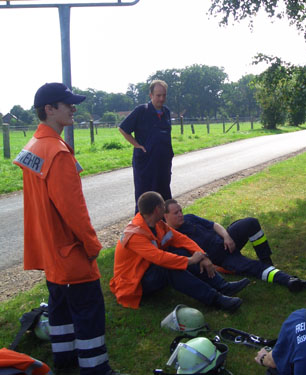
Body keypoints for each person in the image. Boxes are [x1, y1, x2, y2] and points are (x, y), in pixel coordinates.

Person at [13, 83, 118, 375]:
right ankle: (96, 368)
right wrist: (92, 245)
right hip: (69, 252)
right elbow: (74, 211)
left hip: (50, 250)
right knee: (89, 312)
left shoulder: (33, 145)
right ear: (49, 109)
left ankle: (65, 361)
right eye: (67, 104)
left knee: (60, 309)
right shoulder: (57, 153)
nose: (74, 108)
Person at [109, 191, 250, 312]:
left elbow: (181, 239)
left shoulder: (156, 223)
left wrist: (202, 255)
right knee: (168, 268)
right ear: (158, 209)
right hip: (134, 283)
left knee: (182, 251)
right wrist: (190, 261)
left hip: (147, 271)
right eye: (163, 206)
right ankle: (216, 299)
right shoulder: (135, 234)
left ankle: (223, 286)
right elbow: (160, 258)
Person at [164, 199, 306, 292]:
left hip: (227, 241)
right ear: (165, 217)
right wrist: (218, 268)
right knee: (255, 268)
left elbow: (214, 225)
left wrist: (227, 236)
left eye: (181, 210)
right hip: (223, 258)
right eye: (176, 213)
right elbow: (193, 262)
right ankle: (288, 280)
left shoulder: (190, 218)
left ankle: (266, 260)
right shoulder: (171, 238)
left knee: (251, 222)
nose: (180, 214)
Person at [119, 79, 174, 212]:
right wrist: (137, 145)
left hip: (163, 162)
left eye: (164, 95)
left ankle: (164, 227)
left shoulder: (166, 112)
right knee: (145, 198)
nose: (161, 99)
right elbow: (123, 128)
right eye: (158, 95)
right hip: (146, 163)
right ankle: (142, 228)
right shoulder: (141, 111)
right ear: (151, 95)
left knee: (164, 195)